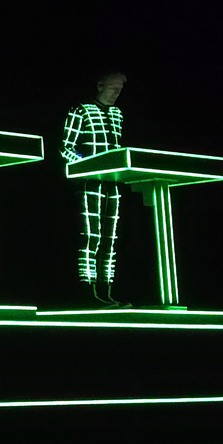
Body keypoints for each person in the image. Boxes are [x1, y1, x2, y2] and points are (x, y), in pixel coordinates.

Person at [62, 70, 127, 306]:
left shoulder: (118, 115)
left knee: (110, 238)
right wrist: (84, 166)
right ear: (100, 85)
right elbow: (66, 147)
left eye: (120, 89)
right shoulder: (81, 111)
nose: (116, 93)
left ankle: (105, 290)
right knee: (92, 236)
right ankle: (87, 290)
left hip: (113, 184)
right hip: (90, 184)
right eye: (113, 87)